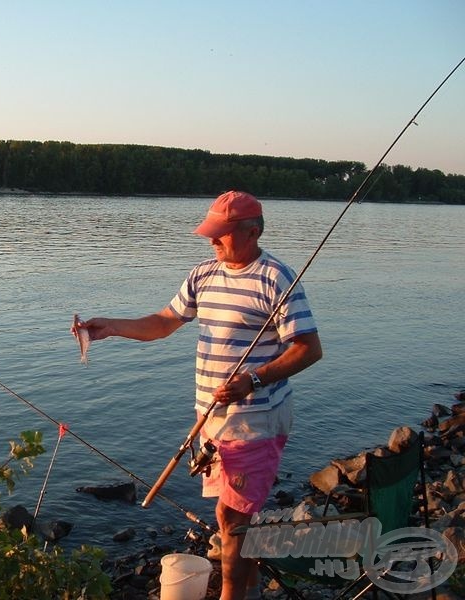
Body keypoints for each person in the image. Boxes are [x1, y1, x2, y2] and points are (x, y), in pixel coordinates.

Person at [74, 191, 322, 600]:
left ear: (252, 231)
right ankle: (253, 585)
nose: (212, 242)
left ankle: (232, 594)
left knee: (231, 515)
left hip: (257, 419)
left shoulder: (277, 278)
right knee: (236, 512)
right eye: (211, 235)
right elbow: (164, 322)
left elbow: (308, 348)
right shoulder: (204, 273)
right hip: (211, 417)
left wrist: (254, 380)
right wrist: (110, 327)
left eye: (221, 235)